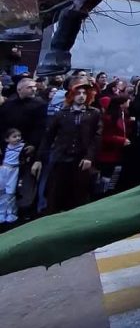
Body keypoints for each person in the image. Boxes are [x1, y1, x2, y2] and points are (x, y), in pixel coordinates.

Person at [33, 78, 102, 215]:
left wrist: (89, 157)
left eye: (84, 93)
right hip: (61, 157)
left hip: (81, 159)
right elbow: (48, 137)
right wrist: (39, 158)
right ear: (72, 95)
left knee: (79, 194)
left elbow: (97, 137)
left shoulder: (93, 113)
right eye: (78, 93)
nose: (81, 96)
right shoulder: (62, 113)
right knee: (55, 193)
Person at [0, 127, 34, 229]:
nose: (17, 138)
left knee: (11, 193)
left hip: (14, 171)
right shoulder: (5, 147)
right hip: (4, 170)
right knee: (2, 192)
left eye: (19, 136)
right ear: (7, 139)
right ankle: (1, 213)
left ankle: (11, 214)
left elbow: (28, 155)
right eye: (14, 136)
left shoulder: (23, 147)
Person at [97, 94, 130, 194]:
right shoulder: (109, 118)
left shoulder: (123, 115)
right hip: (109, 152)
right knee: (106, 176)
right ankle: (102, 193)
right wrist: (121, 140)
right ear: (121, 104)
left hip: (119, 152)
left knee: (115, 175)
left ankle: (110, 192)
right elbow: (105, 136)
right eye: (127, 101)